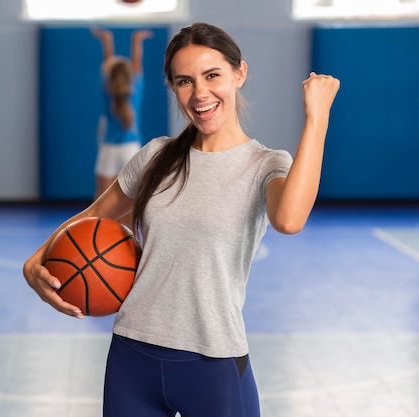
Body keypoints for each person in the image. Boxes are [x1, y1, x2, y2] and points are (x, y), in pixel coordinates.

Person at [23, 22, 339, 417]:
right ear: (173, 88)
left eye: (212, 75)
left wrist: (317, 117)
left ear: (239, 73)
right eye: (184, 81)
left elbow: (289, 220)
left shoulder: (265, 165)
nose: (200, 93)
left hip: (214, 362)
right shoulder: (156, 155)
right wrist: (34, 262)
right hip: (131, 356)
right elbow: (90, 218)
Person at [91, 28, 153, 204]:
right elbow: (137, 61)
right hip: (130, 149)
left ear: (110, 77)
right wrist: (136, 41)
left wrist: (107, 40)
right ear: (130, 76)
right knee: (133, 202)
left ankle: (97, 231)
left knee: (101, 202)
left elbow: (107, 63)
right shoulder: (136, 88)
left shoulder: (107, 90)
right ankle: (131, 232)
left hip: (109, 148)